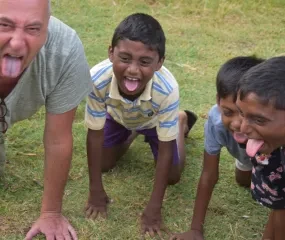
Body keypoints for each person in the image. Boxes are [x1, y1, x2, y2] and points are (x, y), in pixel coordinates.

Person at [84, 13, 197, 238]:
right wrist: (95, 190)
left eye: (144, 62)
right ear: (110, 53)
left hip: (155, 122)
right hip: (118, 118)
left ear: (160, 63)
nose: (133, 70)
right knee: (104, 163)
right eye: (124, 58)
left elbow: (166, 150)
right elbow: (94, 133)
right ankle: (133, 131)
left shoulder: (167, 89)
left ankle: (180, 121)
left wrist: (155, 207)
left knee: (172, 176)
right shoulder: (96, 79)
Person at [0, 0, 92, 239]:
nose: (18, 43)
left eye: (33, 29)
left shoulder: (65, 50)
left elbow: (58, 139)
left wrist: (51, 212)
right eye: (4, 25)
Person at [171, 56, 264, 240]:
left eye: (246, 114)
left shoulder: (272, 124)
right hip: (248, 157)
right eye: (228, 112)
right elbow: (209, 174)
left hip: (274, 159)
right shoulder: (215, 121)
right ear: (218, 101)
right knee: (244, 181)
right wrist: (195, 229)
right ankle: (182, 121)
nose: (238, 124)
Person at [236, 56, 285, 240]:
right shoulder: (272, 147)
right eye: (242, 113)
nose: (243, 129)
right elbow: (280, 205)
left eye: (259, 120)